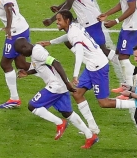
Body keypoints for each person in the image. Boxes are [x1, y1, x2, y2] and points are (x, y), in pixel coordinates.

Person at [40, 10, 115, 149]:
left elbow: (79, 53)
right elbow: (67, 37)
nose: (57, 22)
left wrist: (75, 75)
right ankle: (93, 129)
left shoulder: (74, 33)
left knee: (104, 103)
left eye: (59, 20)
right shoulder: (73, 27)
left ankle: (136, 103)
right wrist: (50, 42)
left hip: (98, 66)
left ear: (67, 21)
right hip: (92, 65)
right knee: (77, 93)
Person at [13, 37, 94, 141]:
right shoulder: (36, 51)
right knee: (67, 113)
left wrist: (67, 83)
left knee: (32, 106)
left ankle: (60, 123)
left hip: (56, 85)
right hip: (60, 85)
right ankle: (90, 136)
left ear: (24, 47)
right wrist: (28, 73)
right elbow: (41, 66)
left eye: (22, 53)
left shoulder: (37, 52)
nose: (23, 56)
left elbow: (55, 63)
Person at [42, 0, 119, 66]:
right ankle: (89, 61)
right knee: (70, 39)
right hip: (87, 19)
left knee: (102, 50)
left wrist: (51, 19)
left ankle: (128, 66)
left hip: (90, 21)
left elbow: (68, 5)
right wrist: (59, 7)